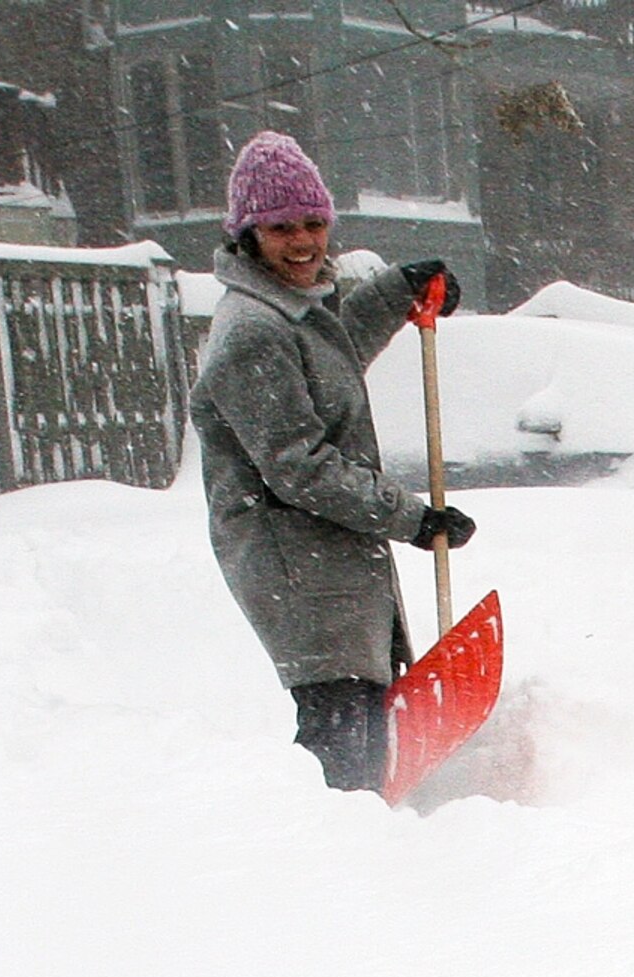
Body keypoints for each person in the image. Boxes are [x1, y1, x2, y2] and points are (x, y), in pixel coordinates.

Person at [190, 131, 476, 792]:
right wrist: (411, 518)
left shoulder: (291, 314)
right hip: (297, 566)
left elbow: (334, 351)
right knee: (341, 739)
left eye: (314, 223)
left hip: (329, 557)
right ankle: (327, 872)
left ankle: (368, 856)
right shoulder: (252, 331)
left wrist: (397, 293)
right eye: (282, 227)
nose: (302, 242)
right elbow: (299, 468)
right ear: (247, 234)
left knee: (366, 730)